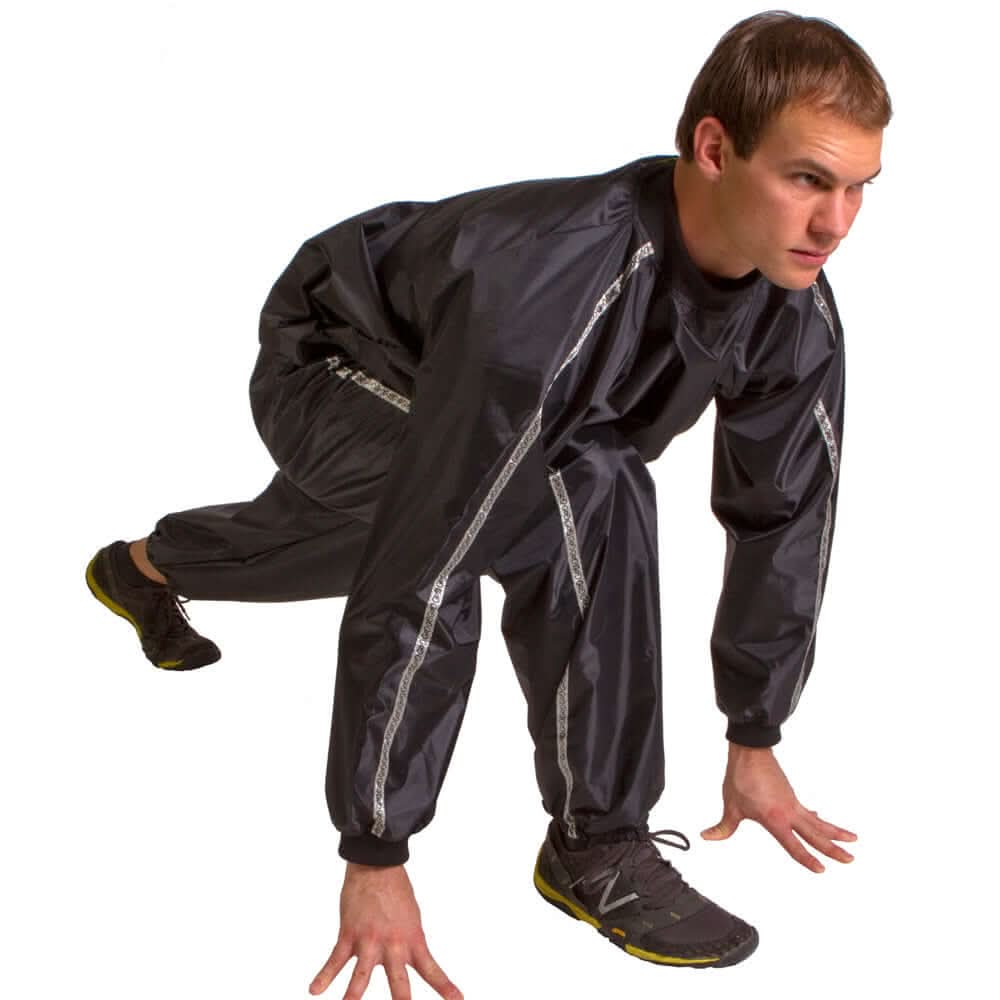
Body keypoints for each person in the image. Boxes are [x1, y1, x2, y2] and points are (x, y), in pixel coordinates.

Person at [85, 10, 890, 998]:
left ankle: (142, 568)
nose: (837, 223)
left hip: (466, 381)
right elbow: (426, 570)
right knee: (570, 489)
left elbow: (783, 515)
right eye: (808, 179)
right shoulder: (550, 293)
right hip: (336, 357)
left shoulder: (792, 303)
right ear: (715, 149)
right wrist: (376, 852)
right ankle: (599, 841)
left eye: (860, 187)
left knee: (362, 531)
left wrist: (754, 734)